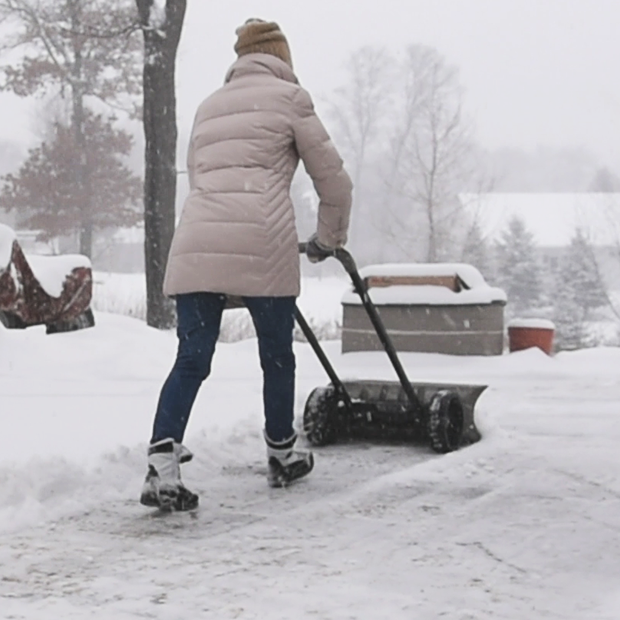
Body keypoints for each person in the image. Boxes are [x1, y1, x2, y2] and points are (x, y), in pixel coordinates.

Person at [140, 18, 353, 511]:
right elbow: (336, 184)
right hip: (262, 242)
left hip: (197, 243)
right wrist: (325, 241)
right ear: (282, 58)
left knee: (191, 359)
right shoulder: (291, 99)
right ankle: (281, 451)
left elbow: (201, 179)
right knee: (277, 356)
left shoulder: (208, 106)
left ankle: (161, 466)